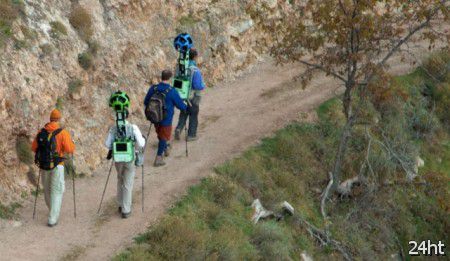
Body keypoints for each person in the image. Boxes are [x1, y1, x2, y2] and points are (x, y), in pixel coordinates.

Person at [32, 109, 75, 227]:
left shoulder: (42, 131)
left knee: (47, 190)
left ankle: (52, 209)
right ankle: (52, 218)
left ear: (50, 119)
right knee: (56, 190)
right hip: (57, 165)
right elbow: (70, 149)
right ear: (59, 119)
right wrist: (72, 142)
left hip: (44, 165)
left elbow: (33, 147)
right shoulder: (62, 132)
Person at [105, 91, 146, 218]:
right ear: (127, 116)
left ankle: (119, 203)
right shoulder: (133, 128)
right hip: (129, 158)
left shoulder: (113, 128)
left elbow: (107, 144)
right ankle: (126, 210)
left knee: (120, 179)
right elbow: (141, 143)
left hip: (118, 159)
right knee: (128, 183)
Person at [144, 70, 187, 167]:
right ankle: (159, 158)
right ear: (170, 78)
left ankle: (165, 147)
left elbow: (146, 102)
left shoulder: (153, 88)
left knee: (160, 134)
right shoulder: (172, 91)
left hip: (154, 117)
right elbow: (180, 106)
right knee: (164, 137)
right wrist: (186, 107)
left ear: (161, 77)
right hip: (166, 119)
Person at [174, 48, 206, 141]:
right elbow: (197, 86)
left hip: (182, 95)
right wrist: (202, 85)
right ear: (195, 57)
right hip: (193, 97)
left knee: (183, 113)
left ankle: (178, 129)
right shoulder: (195, 70)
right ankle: (191, 135)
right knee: (193, 114)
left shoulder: (181, 68)